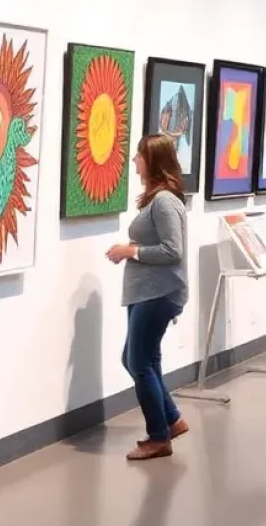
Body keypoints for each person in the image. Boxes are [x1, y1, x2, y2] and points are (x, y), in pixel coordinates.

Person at [106, 134, 189, 461]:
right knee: (144, 359)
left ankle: (159, 436)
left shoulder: (165, 201)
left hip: (159, 293)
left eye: (138, 156)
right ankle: (172, 420)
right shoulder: (160, 199)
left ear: (152, 160)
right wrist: (132, 251)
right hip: (148, 292)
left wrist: (131, 251)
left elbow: (172, 251)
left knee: (137, 362)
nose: (134, 161)